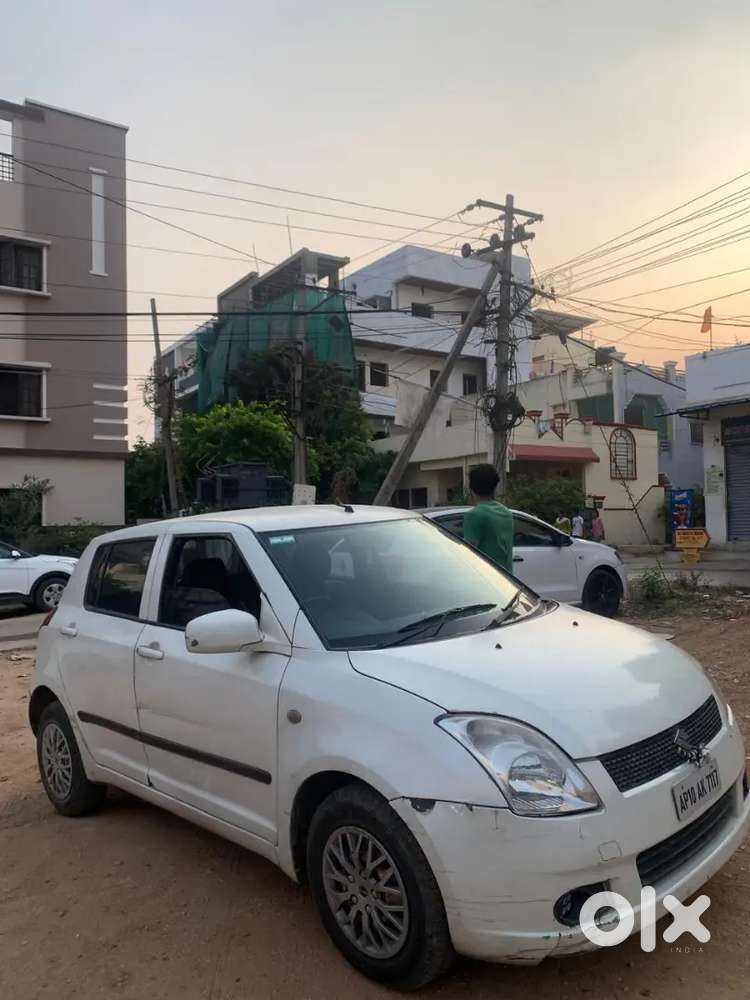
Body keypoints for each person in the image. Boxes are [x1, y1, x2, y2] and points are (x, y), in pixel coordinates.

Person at [463, 464, 514, 573]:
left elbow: (469, 555)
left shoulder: (474, 515)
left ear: (471, 489)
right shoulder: (507, 513)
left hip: (485, 580)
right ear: (494, 487)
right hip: (508, 579)